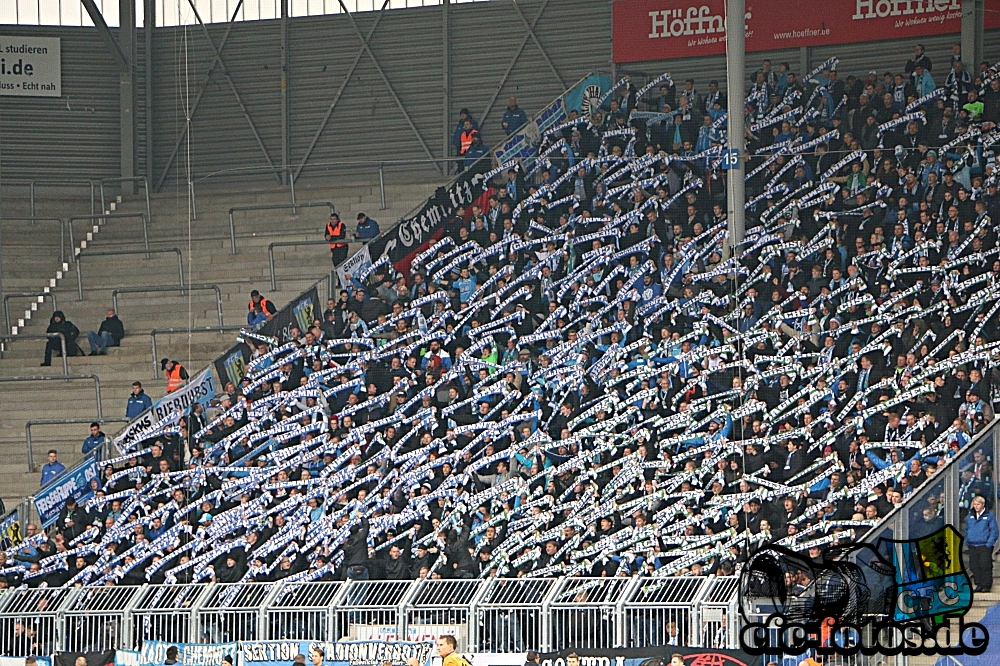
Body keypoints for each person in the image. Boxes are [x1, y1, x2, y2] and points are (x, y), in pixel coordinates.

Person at [966, 495, 998, 592]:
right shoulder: (969, 516)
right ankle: (979, 584)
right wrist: (967, 540)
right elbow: (967, 529)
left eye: (978, 504)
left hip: (984, 545)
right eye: (974, 504)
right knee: (974, 565)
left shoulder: (989, 516)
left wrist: (989, 544)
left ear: (983, 505)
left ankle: (986, 585)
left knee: (985, 565)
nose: (976, 506)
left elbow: (994, 531)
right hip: (972, 545)